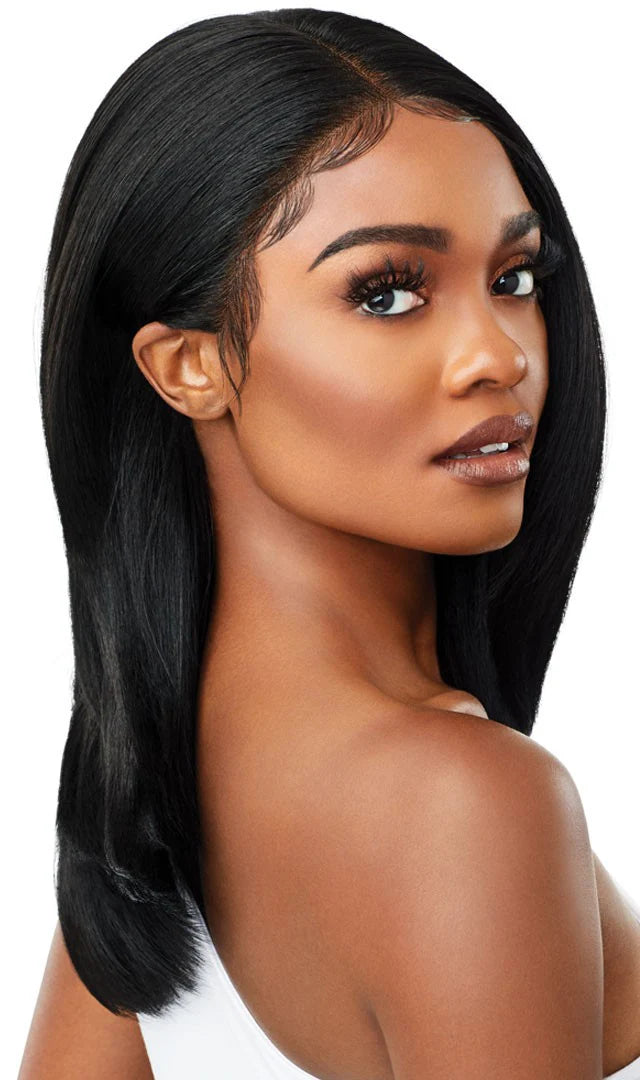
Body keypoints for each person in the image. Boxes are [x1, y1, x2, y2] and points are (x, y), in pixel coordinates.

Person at [18, 8, 640, 1079]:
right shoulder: (462, 806)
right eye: (387, 293)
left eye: (514, 279)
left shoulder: (155, 814)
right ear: (188, 367)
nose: (498, 356)